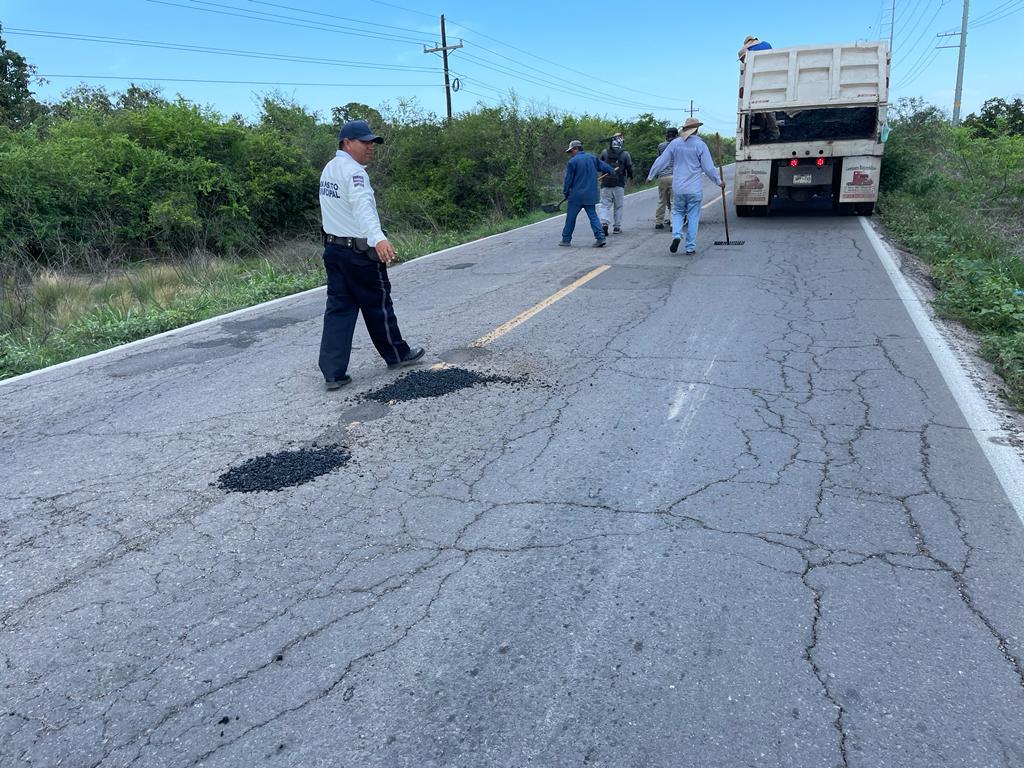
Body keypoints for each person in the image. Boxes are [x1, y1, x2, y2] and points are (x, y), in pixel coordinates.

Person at [317, 119, 425, 390]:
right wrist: (378, 238)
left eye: (372, 142)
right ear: (347, 143)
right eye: (364, 142)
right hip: (358, 253)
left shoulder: (329, 169)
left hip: (333, 250)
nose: (370, 147)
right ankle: (397, 355)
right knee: (378, 305)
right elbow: (362, 206)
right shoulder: (354, 172)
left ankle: (333, 373)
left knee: (338, 310)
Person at [646, 117, 724, 255]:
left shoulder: (675, 143)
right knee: (693, 216)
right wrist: (718, 182)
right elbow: (708, 168)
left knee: (677, 212)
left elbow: (661, 161)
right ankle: (690, 247)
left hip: (679, 188)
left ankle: (677, 235)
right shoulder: (700, 145)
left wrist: (651, 175)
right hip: (694, 189)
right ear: (697, 129)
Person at [560, 139, 616, 248]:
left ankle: (566, 239)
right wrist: (611, 170)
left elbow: (568, 180)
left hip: (576, 196)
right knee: (593, 216)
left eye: (571, 151)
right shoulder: (592, 158)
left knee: (571, 218)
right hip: (590, 195)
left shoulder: (573, 162)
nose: (571, 154)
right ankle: (600, 237)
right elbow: (604, 167)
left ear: (576, 149)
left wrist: (566, 192)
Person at [598, 132, 634, 234]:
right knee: (618, 206)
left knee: (604, 205)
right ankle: (617, 227)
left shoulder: (604, 152)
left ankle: (604, 223)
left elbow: (599, 165)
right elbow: (629, 167)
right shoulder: (625, 154)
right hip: (619, 183)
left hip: (606, 183)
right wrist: (630, 177)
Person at [654, 127, 677, 229]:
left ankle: (659, 222)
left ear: (666, 135)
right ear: (676, 135)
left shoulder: (661, 146)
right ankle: (673, 223)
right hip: (673, 176)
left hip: (662, 176)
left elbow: (659, 159)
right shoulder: (678, 145)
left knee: (661, 200)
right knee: (673, 201)